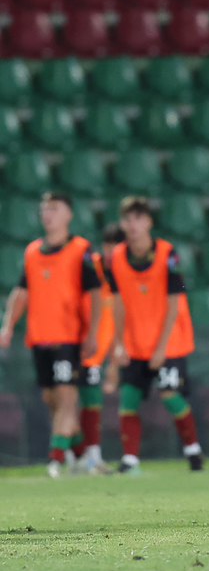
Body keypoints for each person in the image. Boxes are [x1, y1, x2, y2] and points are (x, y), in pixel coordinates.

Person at [0, 193, 101, 477]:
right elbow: (22, 291)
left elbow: (94, 293)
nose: (48, 214)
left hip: (68, 338)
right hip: (39, 337)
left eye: (54, 209)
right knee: (50, 399)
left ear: (68, 214)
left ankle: (56, 458)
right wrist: (8, 325)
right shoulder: (33, 251)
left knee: (67, 397)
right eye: (44, 209)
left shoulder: (81, 249)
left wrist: (93, 332)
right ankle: (81, 455)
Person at [108, 197, 203, 475]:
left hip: (170, 342)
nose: (132, 224)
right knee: (128, 399)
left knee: (170, 395)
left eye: (138, 218)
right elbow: (116, 304)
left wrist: (160, 348)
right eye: (127, 219)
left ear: (148, 222)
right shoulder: (115, 258)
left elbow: (174, 304)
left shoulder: (167, 253)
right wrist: (118, 343)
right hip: (135, 343)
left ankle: (193, 450)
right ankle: (129, 460)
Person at [75, 222, 126, 475]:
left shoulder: (124, 272)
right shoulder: (89, 267)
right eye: (109, 247)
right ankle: (83, 456)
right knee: (75, 400)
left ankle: (86, 456)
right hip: (77, 343)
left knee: (88, 399)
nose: (112, 253)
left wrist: (114, 365)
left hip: (97, 350)